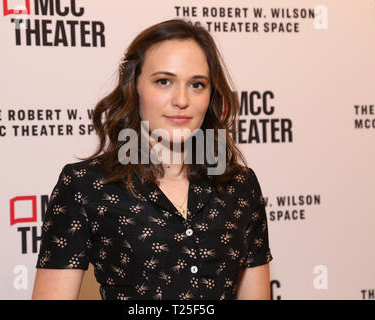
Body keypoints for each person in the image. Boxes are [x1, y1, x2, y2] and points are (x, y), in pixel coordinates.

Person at [32, 18, 272, 300]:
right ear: (134, 86)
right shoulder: (86, 185)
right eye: (164, 81)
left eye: (197, 84)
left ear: (211, 95)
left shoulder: (240, 185)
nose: (181, 100)